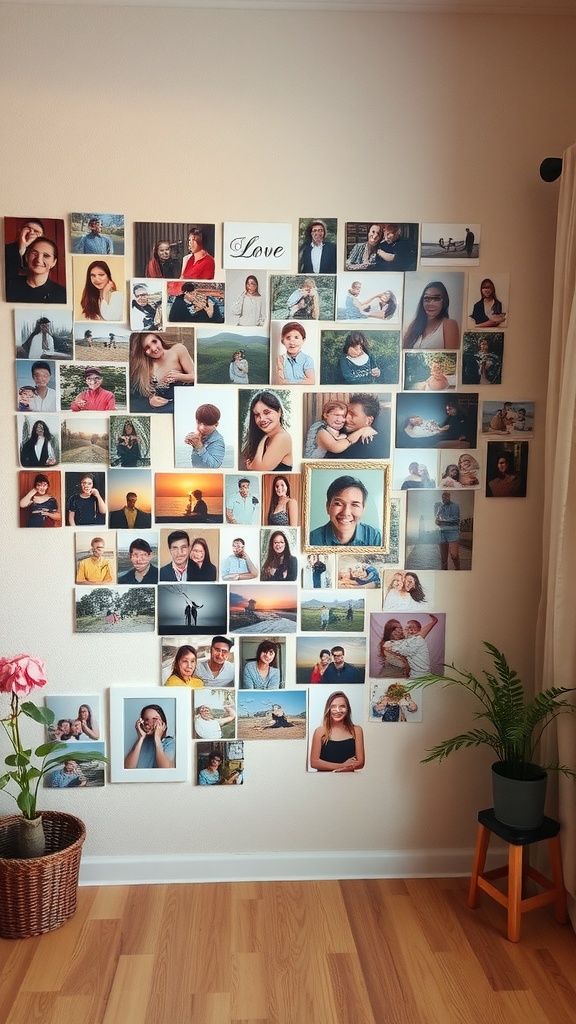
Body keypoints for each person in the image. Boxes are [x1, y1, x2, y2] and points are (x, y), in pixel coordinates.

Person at [129, 332, 195, 412]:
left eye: (154, 341)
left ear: (159, 339)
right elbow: (135, 396)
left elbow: (196, 377)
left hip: (183, 403)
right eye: (147, 348)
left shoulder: (178, 350)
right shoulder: (143, 369)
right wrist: (150, 401)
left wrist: (179, 377)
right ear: (143, 352)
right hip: (161, 410)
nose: (153, 349)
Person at [309, 474, 382, 547]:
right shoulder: (311, 539)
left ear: (363, 509)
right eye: (338, 504)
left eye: (354, 505)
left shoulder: (376, 537)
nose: (346, 513)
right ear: (328, 507)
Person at [310, 691, 365, 772]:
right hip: (323, 781)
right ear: (328, 709)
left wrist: (343, 769)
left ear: (348, 709)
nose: (338, 710)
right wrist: (342, 766)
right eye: (333, 706)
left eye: (342, 706)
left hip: (350, 781)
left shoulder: (357, 730)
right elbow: (314, 763)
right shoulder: (320, 731)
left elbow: (360, 763)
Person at [324, 393, 389, 460]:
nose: (346, 418)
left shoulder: (369, 442)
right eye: (346, 413)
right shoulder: (336, 430)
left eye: (352, 414)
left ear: (368, 421)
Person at [304, 400, 376, 459]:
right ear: (326, 415)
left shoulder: (337, 428)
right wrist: (362, 431)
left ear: (369, 420)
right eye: (337, 415)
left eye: (343, 416)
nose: (343, 420)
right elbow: (336, 447)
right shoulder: (320, 429)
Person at [242, 391, 292, 471]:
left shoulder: (282, 437)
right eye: (257, 415)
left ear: (279, 412)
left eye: (267, 412)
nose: (262, 419)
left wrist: (262, 443)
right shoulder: (269, 437)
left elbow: (260, 469)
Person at [403, 281, 460, 349]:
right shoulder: (414, 324)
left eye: (436, 299)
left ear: (444, 301)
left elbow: (451, 357)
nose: (431, 304)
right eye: (427, 298)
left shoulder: (449, 324)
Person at [10, 236, 67, 304]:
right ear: (27, 257)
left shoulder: (61, 294)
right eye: (34, 254)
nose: (39, 260)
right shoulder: (10, 286)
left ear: (54, 262)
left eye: (46, 255)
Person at [382, 615, 438, 679]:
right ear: (389, 632)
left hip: (407, 675)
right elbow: (405, 665)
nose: (400, 630)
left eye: (400, 628)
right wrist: (404, 659)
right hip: (393, 674)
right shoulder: (387, 645)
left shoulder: (405, 637)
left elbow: (419, 634)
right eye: (394, 629)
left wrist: (434, 622)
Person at [124, 704, 175, 769]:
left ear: (163, 723)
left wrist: (157, 738)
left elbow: (166, 769)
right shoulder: (142, 743)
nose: (149, 723)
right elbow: (128, 768)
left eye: (154, 719)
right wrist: (141, 738)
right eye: (146, 719)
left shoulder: (170, 743)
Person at [5, 218, 45, 296]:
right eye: (28, 228)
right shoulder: (5, 249)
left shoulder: (44, 254)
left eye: (36, 231)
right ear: (20, 231)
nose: (31, 232)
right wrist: (21, 249)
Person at [184, 403, 225, 469]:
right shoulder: (200, 435)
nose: (201, 427)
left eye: (206, 425)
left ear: (216, 425)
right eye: (199, 423)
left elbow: (214, 466)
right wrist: (192, 441)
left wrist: (199, 446)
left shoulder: (218, 441)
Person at [434, 491, 461, 570]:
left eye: (445, 497)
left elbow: (456, 519)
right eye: (442, 497)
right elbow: (438, 518)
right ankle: (444, 573)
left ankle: (458, 570)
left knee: (454, 555)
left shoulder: (455, 506)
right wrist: (437, 521)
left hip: (453, 531)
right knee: (443, 558)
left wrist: (442, 521)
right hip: (442, 531)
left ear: (449, 497)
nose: (444, 499)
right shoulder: (440, 507)